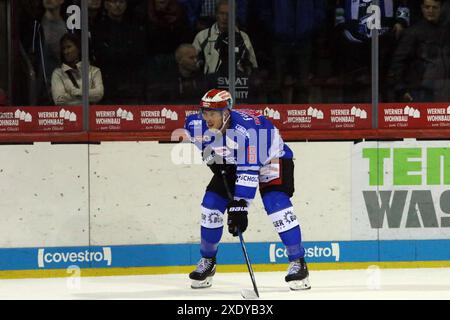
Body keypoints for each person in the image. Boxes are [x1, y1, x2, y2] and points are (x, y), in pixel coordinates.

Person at [183, 89, 311, 291]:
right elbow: (203, 144)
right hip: (236, 160)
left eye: (213, 114)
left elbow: (248, 173)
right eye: (205, 113)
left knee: (277, 205)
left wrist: (239, 207)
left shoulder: (250, 132)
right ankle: (208, 261)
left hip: (272, 158)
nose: (208, 118)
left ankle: (298, 262)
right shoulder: (194, 125)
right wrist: (212, 159)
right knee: (210, 206)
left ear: (226, 113)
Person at [389, 0, 450, 102]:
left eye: (434, 7)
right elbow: (398, 63)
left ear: (441, 9)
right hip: (420, 91)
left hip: (445, 91)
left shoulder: (447, 31)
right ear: (422, 8)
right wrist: (402, 90)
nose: (431, 11)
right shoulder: (412, 32)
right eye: (427, 7)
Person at [92, 0, 147, 104]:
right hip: (107, 80)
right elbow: (101, 54)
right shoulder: (99, 26)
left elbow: (139, 52)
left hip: (131, 79)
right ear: (106, 4)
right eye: (113, 2)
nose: (117, 5)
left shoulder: (134, 25)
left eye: (121, 2)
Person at [51, 33, 104, 105]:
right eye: (63, 48)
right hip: (69, 115)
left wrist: (76, 92)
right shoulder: (58, 73)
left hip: (90, 115)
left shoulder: (94, 71)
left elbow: (99, 94)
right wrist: (89, 96)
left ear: (78, 48)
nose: (66, 52)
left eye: (69, 47)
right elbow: (59, 100)